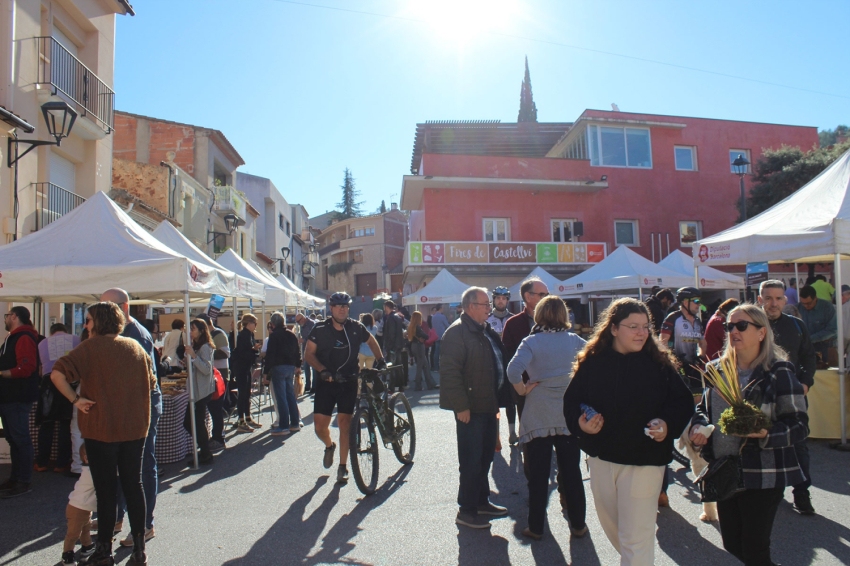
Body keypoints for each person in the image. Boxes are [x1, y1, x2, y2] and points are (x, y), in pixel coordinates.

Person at [564, 298, 694, 565]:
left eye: (646, 327)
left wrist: (666, 424)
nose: (641, 333)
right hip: (602, 458)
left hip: (645, 459)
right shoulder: (593, 362)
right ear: (613, 328)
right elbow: (572, 401)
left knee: (636, 538)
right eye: (633, 326)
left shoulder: (659, 364)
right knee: (617, 532)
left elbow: (683, 402)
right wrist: (581, 423)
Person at [689, 304, 808, 566]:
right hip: (724, 469)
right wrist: (698, 427)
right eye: (729, 326)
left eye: (742, 326)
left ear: (761, 333)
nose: (734, 331)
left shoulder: (778, 372)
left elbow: (799, 425)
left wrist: (766, 433)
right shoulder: (717, 369)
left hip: (763, 473)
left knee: (754, 550)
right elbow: (702, 410)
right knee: (732, 544)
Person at [50, 301, 157, 566]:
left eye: (88, 320)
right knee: (134, 486)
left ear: (97, 321)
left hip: (101, 429)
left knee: (106, 490)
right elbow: (152, 383)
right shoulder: (135, 347)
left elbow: (57, 374)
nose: (86, 325)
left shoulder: (89, 348)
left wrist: (76, 400)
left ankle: (104, 551)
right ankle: (139, 550)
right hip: (133, 428)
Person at [506, 296, 587, 540]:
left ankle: (536, 527)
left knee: (539, 475)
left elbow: (513, 371)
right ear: (564, 315)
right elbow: (595, 364)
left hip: (538, 411)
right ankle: (578, 525)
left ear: (538, 315)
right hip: (568, 412)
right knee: (571, 472)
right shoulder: (575, 341)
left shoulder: (531, 341)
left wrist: (523, 390)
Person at [440, 287, 513, 529]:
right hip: (470, 408)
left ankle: (481, 502)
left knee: (484, 458)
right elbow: (450, 373)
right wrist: (461, 406)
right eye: (485, 304)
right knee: (471, 462)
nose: (489, 308)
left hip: (487, 404)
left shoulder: (483, 330)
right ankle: (467, 510)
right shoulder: (457, 333)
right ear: (471, 306)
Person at [100, 288, 162, 549]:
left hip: (141, 407)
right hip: (126, 407)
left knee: (142, 466)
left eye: (107, 307)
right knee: (123, 464)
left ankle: (145, 524)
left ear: (123, 307)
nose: (103, 313)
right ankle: (117, 517)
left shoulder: (135, 334)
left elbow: (141, 380)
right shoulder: (119, 331)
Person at [304, 292, 385, 484]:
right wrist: (322, 370)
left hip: (349, 381)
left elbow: (371, 341)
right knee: (319, 427)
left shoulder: (355, 327)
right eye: (338, 306)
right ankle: (329, 445)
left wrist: (381, 360)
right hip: (326, 382)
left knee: (344, 424)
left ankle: (343, 467)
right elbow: (308, 354)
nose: (342, 309)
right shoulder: (320, 329)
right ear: (331, 309)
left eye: (345, 306)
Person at [757, 280, 817, 516]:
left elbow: (809, 357)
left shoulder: (796, 325)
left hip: (792, 396)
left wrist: (805, 383)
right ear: (760, 299)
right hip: (761, 396)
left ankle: (802, 493)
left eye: (778, 298)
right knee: (763, 443)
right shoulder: (750, 324)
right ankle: (771, 491)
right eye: (768, 298)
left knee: (798, 444)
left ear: (785, 300)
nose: (774, 303)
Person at [502, 277, 550, 444]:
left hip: (551, 384)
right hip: (526, 386)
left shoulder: (554, 322)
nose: (547, 298)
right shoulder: (513, 323)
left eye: (548, 294)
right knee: (530, 434)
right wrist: (519, 385)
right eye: (542, 294)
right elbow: (507, 356)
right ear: (528, 297)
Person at [0, 306, 40, 498]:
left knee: (20, 440)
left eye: (7, 316)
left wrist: (2, 373)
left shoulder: (23, 337)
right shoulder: (14, 337)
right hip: (9, 397)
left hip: (17, 397)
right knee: (14, 439)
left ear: (14, 316)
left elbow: (26, 367)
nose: (5, 319)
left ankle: (23, 481)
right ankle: (15, 479)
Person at [34, 323, 80, 475]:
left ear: (51, 332)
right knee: (65, 424)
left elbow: (40, 368)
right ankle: (61, 463)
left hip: (48, 383)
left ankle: (42, 462)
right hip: (68, 382)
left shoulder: (42, 343)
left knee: (46, 423)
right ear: (66, 331)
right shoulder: (76, 339)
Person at [182, 319, 216, 465]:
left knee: (193, 422)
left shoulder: (205, 347)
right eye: (190, 329)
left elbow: (207, 369)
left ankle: (205, 451)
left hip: (202, 390)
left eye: (193, 329)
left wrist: (194, 357)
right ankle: (204, 448)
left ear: (202, 331)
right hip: (196, 390)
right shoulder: (196, 345)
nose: (190, 332)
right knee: (193, 422)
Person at [264, 312, 302, 436]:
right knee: (290, 395)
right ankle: (295, 423)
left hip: (278, 367)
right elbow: (297, 351)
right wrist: (298, 364)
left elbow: (270, 355)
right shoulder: (291, 334)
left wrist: (266, 372)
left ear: (272, 324)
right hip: (290, 366)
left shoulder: (274, 336)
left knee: (281, 397)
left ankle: (284, 425)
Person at [197, 313, 230, 451]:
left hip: (219, 375)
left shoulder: (218, 334)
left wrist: (207, 353)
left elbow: (226, 353)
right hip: (210, 375)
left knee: (216, 409)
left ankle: (218, 438)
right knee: (212, 409)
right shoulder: (205, 338)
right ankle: (214, 436)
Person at [61, 443, 96, 565]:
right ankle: (67, 554)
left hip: (84, 507)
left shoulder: (89, 469)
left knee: (86, 528)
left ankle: (87, 546)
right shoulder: (90, 472)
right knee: (73, 534)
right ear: (86, 458)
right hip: (77, 508)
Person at [231, 313, 262, 433]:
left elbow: (247, 351)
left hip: (246, 366)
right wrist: (254, 350)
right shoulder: (243, 335)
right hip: (241, 367)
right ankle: (241, 420)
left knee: (247, 394)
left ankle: (247, 417)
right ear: (249, 323)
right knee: (242, 394)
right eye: (255, 323)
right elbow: (243, 352)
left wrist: (254, 350)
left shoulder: (249, 334)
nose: (256, 326)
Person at [798, 284, 837, 364]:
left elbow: (832, 329)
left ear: (815, 298)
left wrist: (811, 339)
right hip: (805, 349)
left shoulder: (827, 307)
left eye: (809, 303)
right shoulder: (797, 308)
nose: (806, 306)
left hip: (825, 347)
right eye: (803, 303)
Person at [407, 311, 437, 391]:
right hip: (419, 346)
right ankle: (418, 385)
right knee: (420, 367)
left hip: (414, 345)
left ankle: (431, 384)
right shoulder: (417, 327)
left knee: (425, 365)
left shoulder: (410, 326)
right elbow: (426, 336)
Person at [382, 300, 408, 383]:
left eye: (384, 307)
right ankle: (400, 385)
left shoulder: (391, 318)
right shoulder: (397, 316)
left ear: (387, 307)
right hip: (398, 345)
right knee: (398, 366)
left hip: (393, 346)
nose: (384, 309)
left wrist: (389, 346)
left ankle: (393, 385)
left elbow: (391, 334)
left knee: (392, 367)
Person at [296, 312, 316, 393]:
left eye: (298, 321)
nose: (298, 323)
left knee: (314, 369)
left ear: (303, 319)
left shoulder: (312, 324)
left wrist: (304, 340)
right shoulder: (302, 326)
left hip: (313, 350)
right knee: (306, 368)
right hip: (305, 349)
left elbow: (314, 338)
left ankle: (314, 387)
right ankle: (307, 385)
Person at [430, 304, 450, 371]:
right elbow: (447, 325)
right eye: (443, 307)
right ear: (440, 308)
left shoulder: (433, 317)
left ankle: (436, 367)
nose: (443, 308)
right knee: (443, 352)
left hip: (435, 336)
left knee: (436, 352)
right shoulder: (442, 316)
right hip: (442, 336)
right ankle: (443, 367)